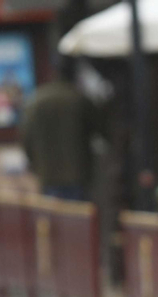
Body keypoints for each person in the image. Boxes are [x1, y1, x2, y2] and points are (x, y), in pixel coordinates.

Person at [21, 58, 98, 201]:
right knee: (78, 217)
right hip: (77, 172)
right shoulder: (79, 99)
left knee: (55, 218)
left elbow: (26, 136)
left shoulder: (37, 99)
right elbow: (99, 130)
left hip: (47, 172)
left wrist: (33, 162)